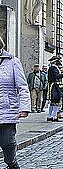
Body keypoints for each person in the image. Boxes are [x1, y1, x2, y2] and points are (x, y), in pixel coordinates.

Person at [0, 36, 30, 169]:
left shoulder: (12, 62)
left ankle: (12, 164)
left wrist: (24, 107)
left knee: (8, 143)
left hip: (7, 110)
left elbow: (22, 87)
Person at [46, 56, 63, 122]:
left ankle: (50, 116)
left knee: (53, 102)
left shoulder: (52, 68)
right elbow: (56, 77)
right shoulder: (54, 68)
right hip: (55, 86)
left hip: (53, 86)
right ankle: (54, 116)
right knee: (56, 101)